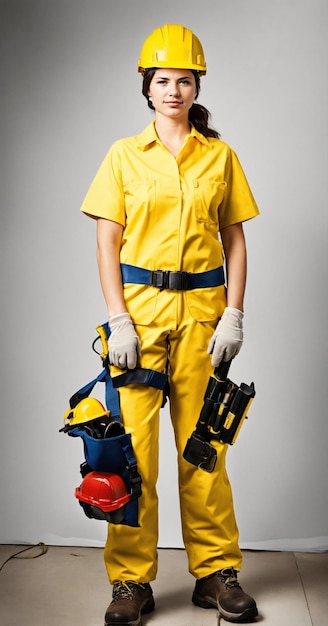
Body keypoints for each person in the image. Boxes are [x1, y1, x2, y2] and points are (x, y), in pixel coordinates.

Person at [80, 23, 259, 626]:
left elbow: (235, 241)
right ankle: (131, 582)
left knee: (204, 452)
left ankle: (216, 574)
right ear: (146, 87)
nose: (174, 89)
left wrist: (235, 313)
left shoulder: (220, 156)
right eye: (163, 80)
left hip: (204, 320)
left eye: (185, 79)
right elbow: (107, 242)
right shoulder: (123, 155)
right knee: (129, 456)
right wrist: (117, 318)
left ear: (196, 84)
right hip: (141, 319)